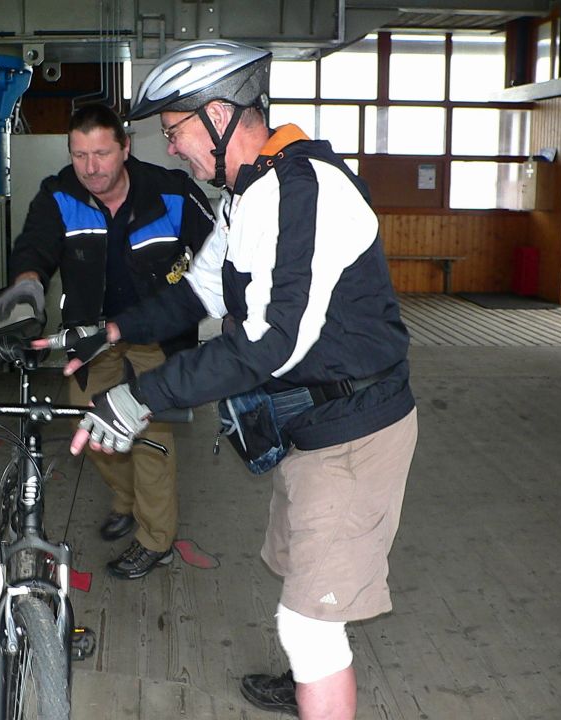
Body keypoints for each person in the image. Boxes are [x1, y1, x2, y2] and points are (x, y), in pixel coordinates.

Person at [63, 42, 418, 719]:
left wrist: (140, 395)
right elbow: (198, 293)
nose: (172, 149)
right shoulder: (247, 194)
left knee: (309, 623)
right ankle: (310, 678)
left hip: (354, 433)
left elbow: (267, 345)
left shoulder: (304, 191)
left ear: (219, 115)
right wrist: (110, 331)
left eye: (175, 131)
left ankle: (317, 676)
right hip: (307, 426)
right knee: (298, 578)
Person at [0, 103, 214, 580]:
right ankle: (127, 499)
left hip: (159, 332)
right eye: (79, 155)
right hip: (92, 335)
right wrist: (28, 280)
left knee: (150, 434)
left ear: (125, 148)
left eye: (101, 154)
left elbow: (221, 251)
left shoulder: (172, 193)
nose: (91, 168)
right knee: (89, 424)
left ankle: (156, 540)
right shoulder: (59, 195)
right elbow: (35, 244)